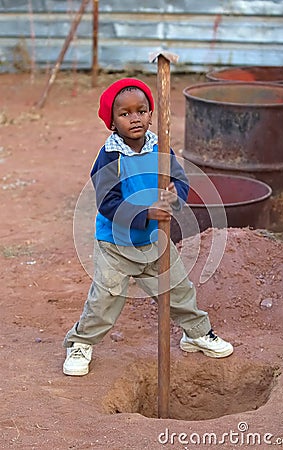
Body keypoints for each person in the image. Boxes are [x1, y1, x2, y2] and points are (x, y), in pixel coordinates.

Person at [63, 78, 233, 376]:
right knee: (106, 298)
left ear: (151, 114)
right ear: (112, 122)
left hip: (155, 240)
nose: (135, 118)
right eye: (125, 113)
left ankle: (195, 333)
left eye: (141, 110)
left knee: (178, 289)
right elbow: (108, 202)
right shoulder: (110, 156)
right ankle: (81, 342)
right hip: (115, 245)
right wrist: (146, 212)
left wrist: (173, 197)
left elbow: (179, 181)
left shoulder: (160, 148)